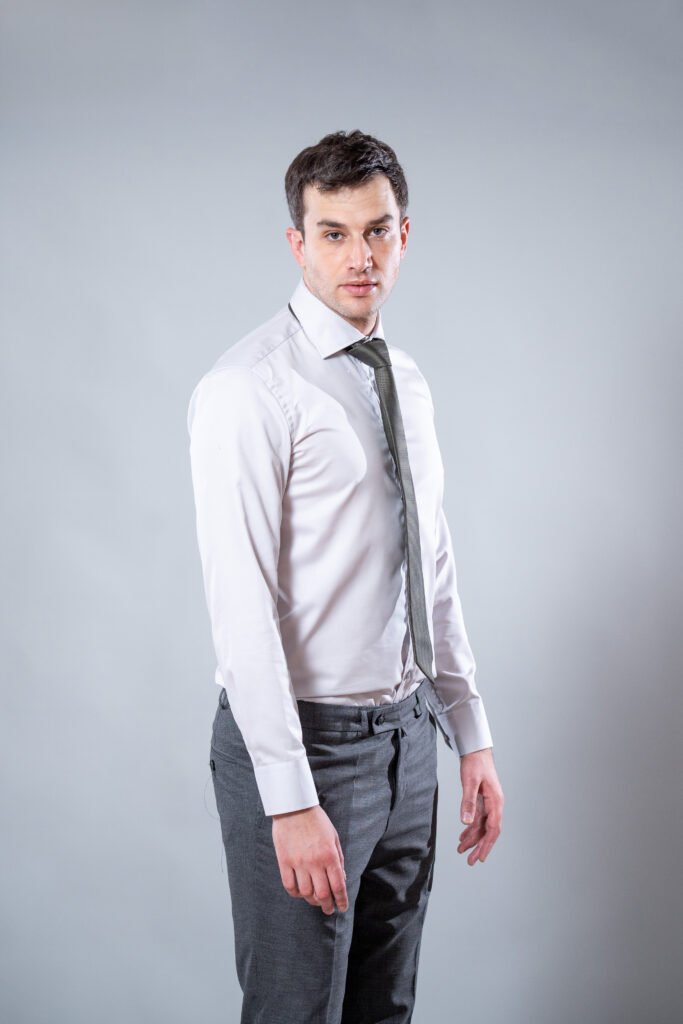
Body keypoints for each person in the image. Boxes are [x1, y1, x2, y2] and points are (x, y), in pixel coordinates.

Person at [187, 129, 504, 1024]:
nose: (359, 256)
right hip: (306, 746)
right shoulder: (248, 390)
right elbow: (241, 610)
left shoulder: (404, 378)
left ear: (405, 235)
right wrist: (289, 799)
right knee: (295, 1011)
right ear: (297, 243)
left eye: (376, 231)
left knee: (382, 1009)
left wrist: (468, 732)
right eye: (333, 233)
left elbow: (429, 558)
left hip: (409, 739)